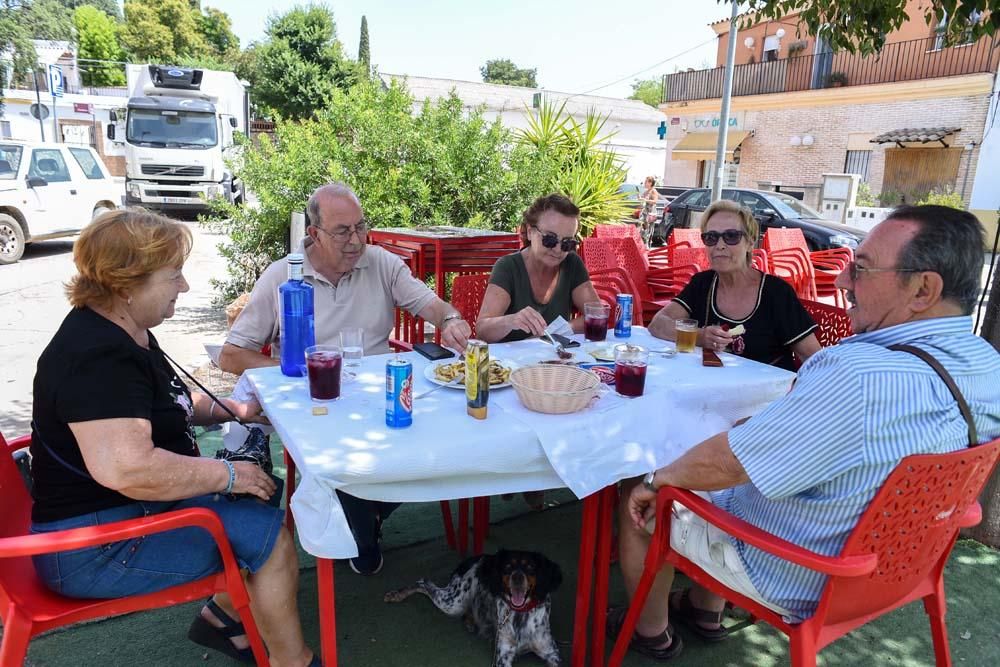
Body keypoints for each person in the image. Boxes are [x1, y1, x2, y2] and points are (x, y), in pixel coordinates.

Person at [609, 205, 1000, 661]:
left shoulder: (855, 373)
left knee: (646, 495)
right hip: (903, 568)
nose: (843, 281)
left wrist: (658, 480)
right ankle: (702, 609)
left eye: (862, 268)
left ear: (923, 289)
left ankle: (650, 630)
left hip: (799, 573)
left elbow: (729, 464)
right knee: (728, 462)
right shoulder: (988, 368)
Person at [29, 210, 321, 667]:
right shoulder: (97, 357)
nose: (184, 287)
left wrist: (240, 410)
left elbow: (169, 410)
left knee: (259, 497)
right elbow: (129, 467)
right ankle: (293, 661)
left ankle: (224, 620)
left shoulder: (125, 330)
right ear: (127, 283)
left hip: (120, 515)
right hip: (95, 547)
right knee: (272, 538)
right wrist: (226, 474)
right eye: (174, 275)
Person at [219, 181, 472, 576]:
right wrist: (297, 372)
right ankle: (360, 527)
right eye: (342, 231)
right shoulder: (283, 276)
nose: (356, 240)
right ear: (314, 234)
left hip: (377, 393)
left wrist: (452, 319)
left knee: (439, 440)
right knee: (335, 458)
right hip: (315, 399)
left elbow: (429, 305)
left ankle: (364, 517)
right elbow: (232, 355)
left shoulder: (382, 263)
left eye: (360, 227)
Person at [648, 199, 821, 370]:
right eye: (711, 237)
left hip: (767, 393)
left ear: (750, 242)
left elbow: (812, 357)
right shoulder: (703, 283)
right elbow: (658, 324)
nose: (720, 245)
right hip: (711, 388)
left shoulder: (775, 292)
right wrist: (699, 336)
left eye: (731, 236)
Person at [476, 193, 602, 343]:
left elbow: (597, 315)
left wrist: (562, 329)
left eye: (567, 243)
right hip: (510, 362)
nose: (557, 250)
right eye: (549, 239)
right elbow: (483, 330)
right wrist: (511, 321)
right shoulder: (508, 267)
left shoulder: (571, 263)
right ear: (530, 232)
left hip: (552, 362)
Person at [639, 176, 660, 244]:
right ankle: (644, 244)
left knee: (648, 231)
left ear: (650, 183)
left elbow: (655, 201)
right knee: (643, 229)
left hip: (651, 214)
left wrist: (645, 200)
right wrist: (640, 198)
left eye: (646, 182)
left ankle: (647, 245)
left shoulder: (653, 191)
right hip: (645, 213)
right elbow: (642, 200)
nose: (644, 183)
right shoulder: (646, 191)